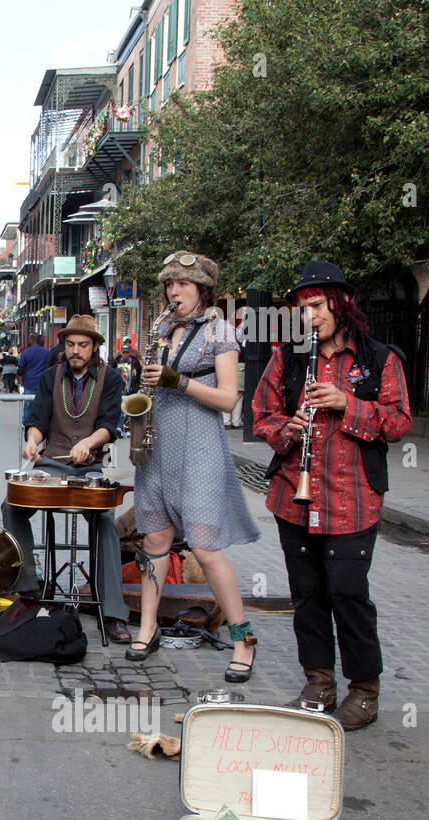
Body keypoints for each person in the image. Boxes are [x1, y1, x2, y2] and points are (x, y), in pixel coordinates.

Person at [252, 261, 411, 729]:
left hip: (352, 498)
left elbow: (398, 421)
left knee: (348, 593)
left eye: (317, 306)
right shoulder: (289, 358)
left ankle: (364, 691)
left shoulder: (380, 358)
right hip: (292, 497)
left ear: (340, 303)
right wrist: (288, 429)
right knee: (307, 594)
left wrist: (349, 405)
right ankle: (319, 681)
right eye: (303, 309)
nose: (309, 317)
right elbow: (261, 416)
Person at [128, 250, 260, 680]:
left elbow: (227, 398)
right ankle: (147, 628)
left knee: (204, 546)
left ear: (202, 289)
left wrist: (177, 380)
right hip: (158, 445)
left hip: (200, 446)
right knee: (155, 541)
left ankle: (243, 640)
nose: (173, 291)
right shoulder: (163, 327)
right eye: (169, 284)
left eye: (182, 285)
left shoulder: (220, 331)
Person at [15, 315, 131, 642]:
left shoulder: (110, 378)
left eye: (82, 345)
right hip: (53, 462)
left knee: (105, 522)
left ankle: (112, 613)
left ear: (95, 346)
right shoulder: (51, 376)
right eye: (70, 345)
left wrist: (88, 443)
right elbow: (37, 420)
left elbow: (110, 424)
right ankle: (29, 587)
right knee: (13, 505)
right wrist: (32, 442)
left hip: (92, 464)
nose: (75, 351)